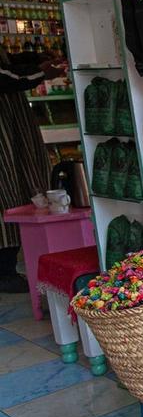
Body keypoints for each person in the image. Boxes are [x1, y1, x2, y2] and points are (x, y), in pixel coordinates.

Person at [0, 47, 62, 292]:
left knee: (19, 184)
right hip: (5, 126)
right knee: (6, 189)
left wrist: (35, 58)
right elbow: (6, 77)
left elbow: (10, 63)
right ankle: (4, 270)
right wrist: (40, 73)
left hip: (11, 120)